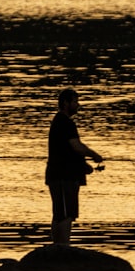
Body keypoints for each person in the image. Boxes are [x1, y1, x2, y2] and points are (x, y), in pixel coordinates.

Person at [45, 88, 103, 245]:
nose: (78, 105)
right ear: (66, 103)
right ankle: (63, 248)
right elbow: (76, 146)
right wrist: (94, 155)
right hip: (64, 176)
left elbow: (66, 151)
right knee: (65, 215)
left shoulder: (58, 122)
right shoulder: (66, 123)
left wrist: (84, 166)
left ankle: (57, 248)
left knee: (59, 214)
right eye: (75, 101)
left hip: (59, 174)